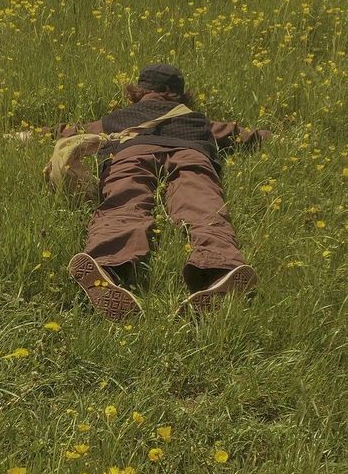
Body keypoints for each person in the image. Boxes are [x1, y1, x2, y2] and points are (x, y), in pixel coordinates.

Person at [61, 64, 271, 321]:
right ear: (179, 93)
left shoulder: (117, 117)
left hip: (131, 153)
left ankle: (106, 266)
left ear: (138, 91)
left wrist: (19, 135)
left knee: (124, 204)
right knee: (202, 205)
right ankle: (220, 269)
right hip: (190, 152)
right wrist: (276, 136)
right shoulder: (196, 118)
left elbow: (71, 132)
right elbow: (242, 135)